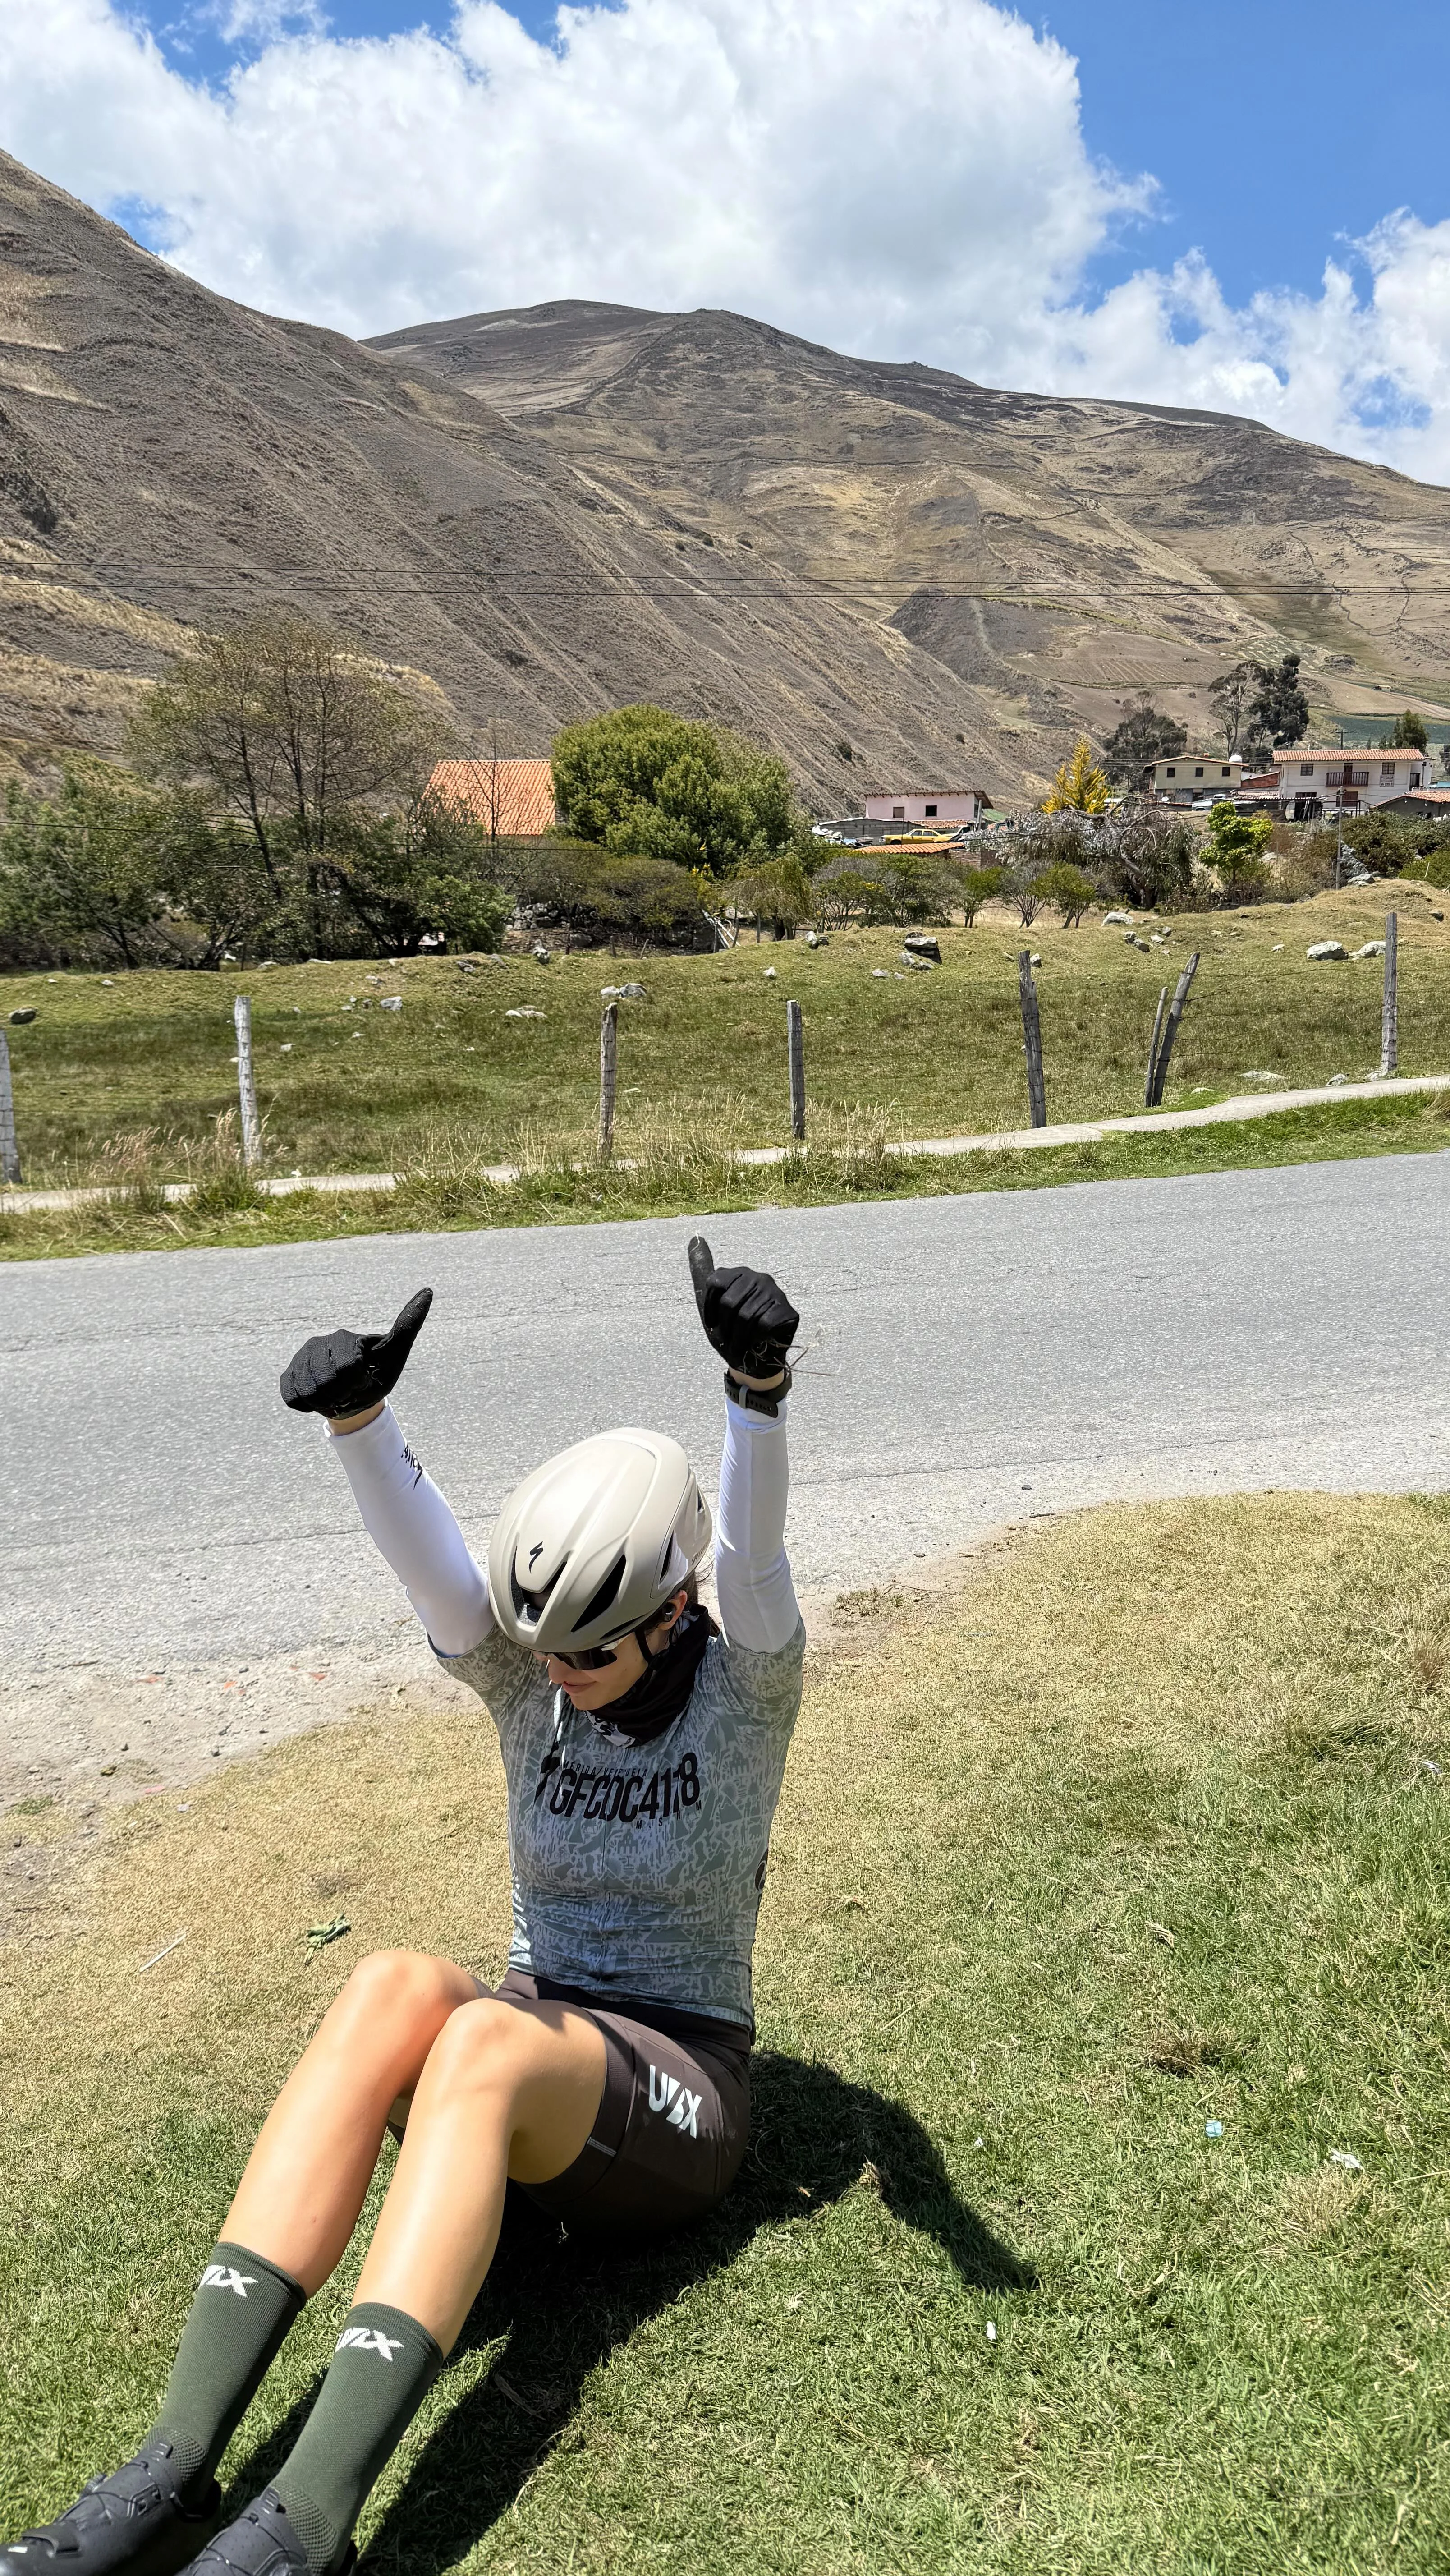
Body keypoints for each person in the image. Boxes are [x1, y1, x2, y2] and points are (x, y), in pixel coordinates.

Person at [2, 1239, 804, 2576]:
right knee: (392, 1984)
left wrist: (754, 1391)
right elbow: (440, 1582)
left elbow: (763, 1558)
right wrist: (360, 1425)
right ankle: (171, 2464)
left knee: (482, 2041)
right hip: (540, 2056)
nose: (561, 1673)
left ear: (675, 1614)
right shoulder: (536, 1687)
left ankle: (306, 2525)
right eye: (545, 1649)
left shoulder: (746, 1699)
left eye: (591, 1649)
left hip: (677, 2093)